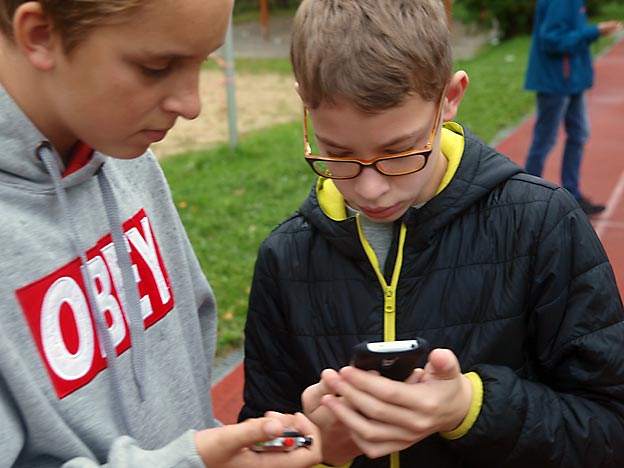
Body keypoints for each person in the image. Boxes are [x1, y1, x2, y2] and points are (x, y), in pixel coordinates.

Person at [238, 0, 624, 467]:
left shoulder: (542, 224)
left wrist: (471, 408)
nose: (372, 189)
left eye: (399, 151)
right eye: (337, 152)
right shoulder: (287, 257)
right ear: (305, 106)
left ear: (450, 97)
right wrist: (317, 445)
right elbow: (259, 443)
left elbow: (609, 428)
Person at [0, 1, 323, 467]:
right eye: (157, 67)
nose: (191, 105)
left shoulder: (122, 155)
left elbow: (187, 394)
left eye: (204, 60)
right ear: (40, 34)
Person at [524, 0, 622, 216]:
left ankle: (572, 194)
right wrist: (594, 32)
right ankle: (525, 200)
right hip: (556, 80)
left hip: (572, 79)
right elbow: (551, 39)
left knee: (579, 133)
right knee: (545, 139)